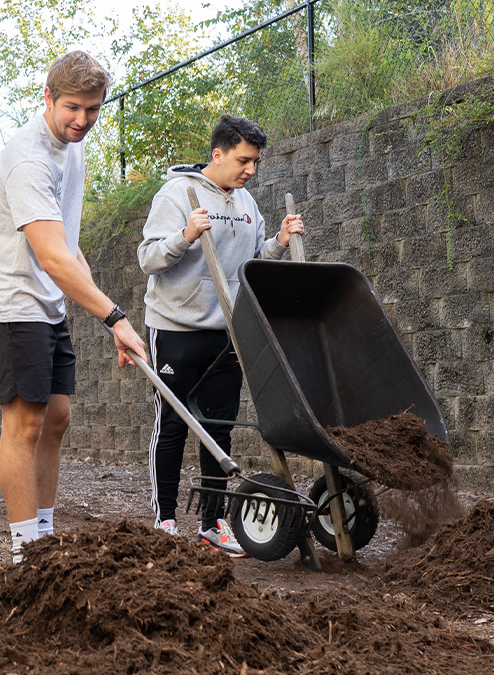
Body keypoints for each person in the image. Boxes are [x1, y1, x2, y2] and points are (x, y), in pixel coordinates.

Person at [0, 51, 146, 563]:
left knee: (57, 419)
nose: (82, 120)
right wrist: (115, 316)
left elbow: (67, 246)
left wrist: (109, 319)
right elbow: (50, 257)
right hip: (7, 301)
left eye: (92, 110)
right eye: (72, 107)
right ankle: (28, 549)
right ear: (46, 98)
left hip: (45, 300)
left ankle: (44, 534)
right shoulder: (27, 157)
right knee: (24, 422)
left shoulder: (73, 148)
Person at [138, 114, 304, 555]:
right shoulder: (176, 194)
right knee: (172, 423)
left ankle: (211, 522)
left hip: (228, 330)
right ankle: (165, 519)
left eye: (255, 163)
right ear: (218, 153)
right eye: (243, 160)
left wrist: (281, 242)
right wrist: (187, 234)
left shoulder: (247, 203)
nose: (250, 170)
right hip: (175, 327)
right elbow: (149, 259)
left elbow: (252, 264)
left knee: (218, 428)